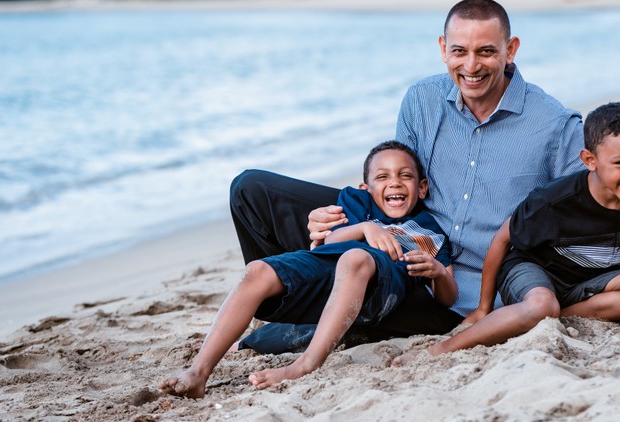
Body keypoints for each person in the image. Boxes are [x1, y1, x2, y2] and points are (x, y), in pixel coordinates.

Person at [229, 0, 620, 353]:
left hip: (459, 290)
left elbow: (611, 198)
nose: (471, 66)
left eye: (486, 52)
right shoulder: (421, 99)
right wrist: (341, 213)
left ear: (510, 49)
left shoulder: (553, 124)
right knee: (252, 189)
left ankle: (329, 319)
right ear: (443, 48)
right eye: (459, 51)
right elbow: (396, 186)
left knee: (392, 285)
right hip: (404, 243)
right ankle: (293, 305)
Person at [160, 140, 455, 398]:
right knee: (257, 271)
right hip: (328, 265)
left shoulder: (429, 229)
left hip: (381, 284)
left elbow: (448, 298)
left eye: (405, 176)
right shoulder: (355, 202)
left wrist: (439, 273)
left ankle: (306, 364)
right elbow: (331, 239)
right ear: (367, 188)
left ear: (422, 187)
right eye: (382, 177)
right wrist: (365, 228)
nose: (394, 182)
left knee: (356, 259)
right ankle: (198, 373)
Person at [424, 101, 620, 357]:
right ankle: (444, 348)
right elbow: (502, 239)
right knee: (542, 305)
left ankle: (557, 314)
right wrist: (484, 307)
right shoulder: (555, 201)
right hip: (534, 269)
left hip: (591, 280)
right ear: (590, 160)